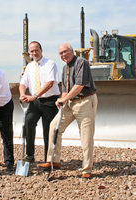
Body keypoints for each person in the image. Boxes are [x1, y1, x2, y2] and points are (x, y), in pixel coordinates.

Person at [38, 43, 98, 179]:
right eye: (61, 53)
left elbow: (79, 86)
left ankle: (86, 169)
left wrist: (64, 100)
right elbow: (65, 89)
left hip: (85, 101)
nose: (63, 55)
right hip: (70, 103)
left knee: (86, 135)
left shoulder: (82, 63)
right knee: (54, 127)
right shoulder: (65, 67)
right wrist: (61, 99)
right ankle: (53, 160)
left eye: (66, 51)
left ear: (72, 51)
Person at [19, 41, 60, 163]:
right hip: (34, 102)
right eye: (31, 51)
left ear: (41, 50)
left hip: (49, 101)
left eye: (36, 50)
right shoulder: (30, 66)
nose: (34, 53)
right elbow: (23, 83)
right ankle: (30, 155)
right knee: (28, 122)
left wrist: (34, 95)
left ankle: (49, 158)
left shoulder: (50, 64)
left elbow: (50, 83)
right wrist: (22, 94)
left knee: (48, 129)